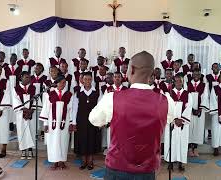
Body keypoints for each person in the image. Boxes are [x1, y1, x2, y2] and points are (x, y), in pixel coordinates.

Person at [89, 51, 175, 180]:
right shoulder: (166, 101)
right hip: (147, 171)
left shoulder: (112, 98)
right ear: (152, 73)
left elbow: (94, 119)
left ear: (132, 69)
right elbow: (170, 118)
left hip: (117, 169)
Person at [40, 75, 73, 170]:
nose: (63, 84)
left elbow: (71, 109)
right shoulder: (49, 94)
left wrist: (71, 123)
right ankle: (54, 161)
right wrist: (45, 124)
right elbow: (46, 109)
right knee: (53, 142)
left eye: (65, 83)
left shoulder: (68, 95)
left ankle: (62, 161)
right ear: (57, 83)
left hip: (64, 122)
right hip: (52, 123)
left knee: (63, 141)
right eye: (62, 82)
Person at [71, 72, 101, 170]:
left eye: (89, 79)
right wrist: (74, 123)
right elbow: (74, 108)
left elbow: (100, 108)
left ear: (91, 80)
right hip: (81, 120)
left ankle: (90, 161)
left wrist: (100, 121)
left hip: (93, 120)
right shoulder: (78, 92)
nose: (87, 81)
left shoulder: (97, 92)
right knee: (82, 140)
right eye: (85, 79)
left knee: (92, 139)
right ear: (82, 80)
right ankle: (84, 161)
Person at [164, 73, 192, 171]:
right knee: (171, 141)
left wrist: (182, 120)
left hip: (183, 124)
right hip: (172, 123)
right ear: (173, 82)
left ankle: (181, 162)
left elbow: (189, 107)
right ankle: (170, 162)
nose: (179, 82)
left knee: (182, 142)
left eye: (180, 80)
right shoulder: (169, 93)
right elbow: (167, 108)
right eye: (176, 81)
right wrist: (174, 119)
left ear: (183, 81)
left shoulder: (187, 94)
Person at [185, 68, 209, 157]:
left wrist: (199, 109)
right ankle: (188, 149)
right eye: (195, 74)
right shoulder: (187, 84)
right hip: (189, 111)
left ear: (200, 75)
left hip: (200, 111)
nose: (196, 76)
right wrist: (191, 109)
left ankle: (195, 148)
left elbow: (205, 96)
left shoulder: (204, 85)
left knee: (198, 129)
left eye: (198, 74)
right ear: (192, 74)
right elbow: (185, 96)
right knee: (189, 128)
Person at [13, 71, 36, 159]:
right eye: (26, 77)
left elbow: (36, 100)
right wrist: (25, 110)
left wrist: (31, 110)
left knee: (31, 130)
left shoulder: (33, 88)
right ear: (21, 77)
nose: (28, 79)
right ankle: (23, 151)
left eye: (29, 77)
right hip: (20, 114)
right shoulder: (16, 88)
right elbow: (15, 101)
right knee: (22, 131)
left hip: (31, 114)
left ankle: (30, 150)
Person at [205, 63, 221, 140]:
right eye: (214, 67)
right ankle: (209, 132)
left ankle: (217, 132)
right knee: (209, 116)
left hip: (219, 100)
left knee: (217, 115)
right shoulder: (208, 77)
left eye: (217, 67)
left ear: (219, 68)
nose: (215, 68)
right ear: (211, 68)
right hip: (209, 99)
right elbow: (206, 87)